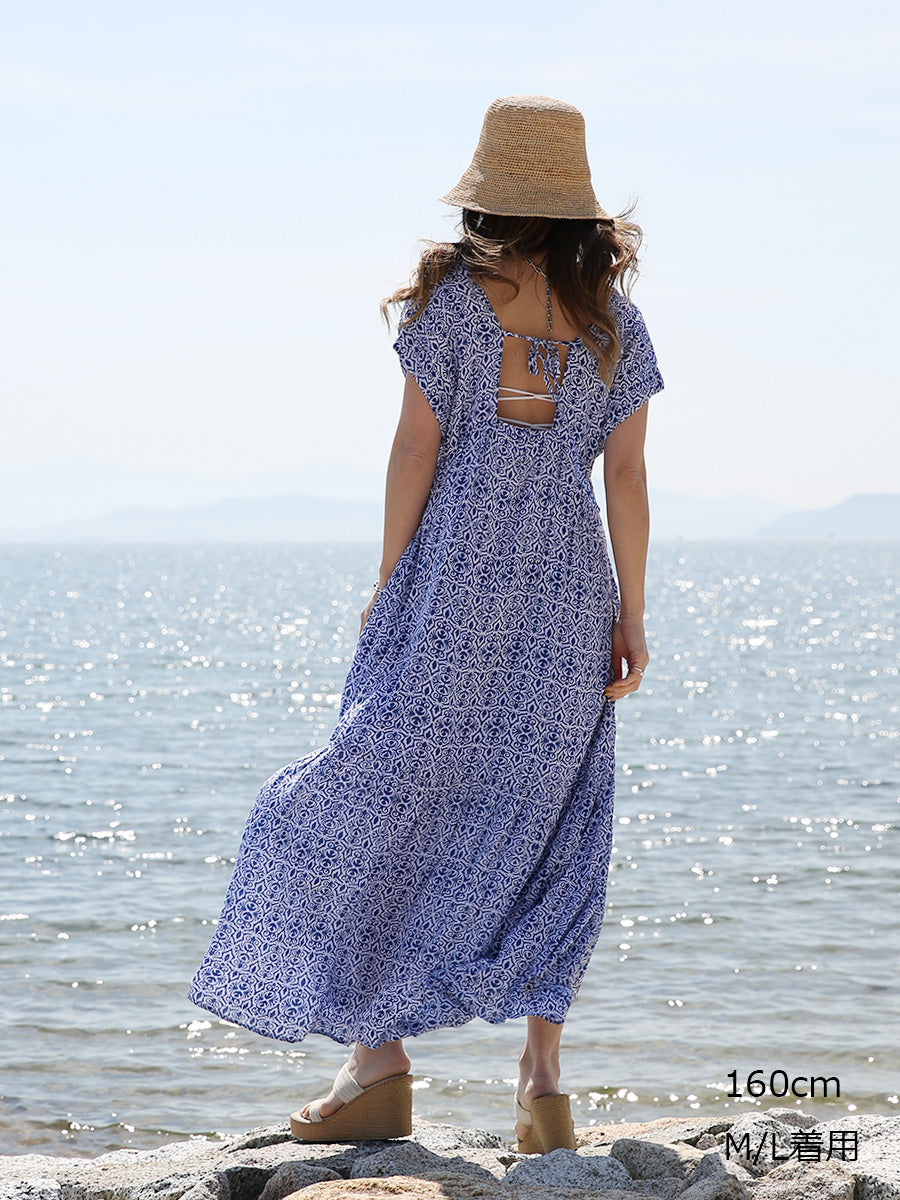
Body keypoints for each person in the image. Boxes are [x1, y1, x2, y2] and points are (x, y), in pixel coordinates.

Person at [187, 93, 664, 1156]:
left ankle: (379, 1064)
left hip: (452, 584)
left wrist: (388, 578)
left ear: (491, 196)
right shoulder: (614, 325)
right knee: (554, 820)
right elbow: (627, 476)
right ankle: (542, 1087)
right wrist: (631, 613)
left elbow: (416, 448)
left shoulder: (452, 304)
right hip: (568, 591)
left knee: (373, 794)